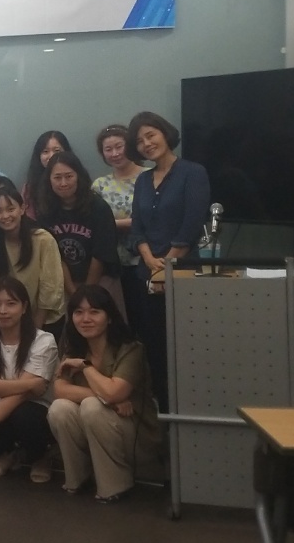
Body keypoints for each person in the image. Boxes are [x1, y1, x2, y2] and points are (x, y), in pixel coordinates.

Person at [127, 110, 211, 411]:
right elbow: (137, 229)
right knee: (155, 351)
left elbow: (191, 225)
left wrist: (166, 266)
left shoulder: (193, 172)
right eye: (140, 141)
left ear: (165, 133)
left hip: (183, 276)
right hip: (146, 276)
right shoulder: (143, 179)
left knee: (186, 350)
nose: (146, 144)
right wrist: (149, 259)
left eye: (151, 135)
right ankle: (162, 418)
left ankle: (188, 415)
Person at [49, 284, 162, 502]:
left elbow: (114, 392)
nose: (86, 319)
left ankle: (115, 485)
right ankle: (78, 478)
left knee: (92, 407)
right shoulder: (74, 347)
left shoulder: (131, 349)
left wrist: (85, 367)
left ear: (109, 317)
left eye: (94, 312)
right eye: (79, 312)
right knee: (59, 409)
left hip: (137, 434)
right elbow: (59, 390)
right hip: (100, 426)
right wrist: (107, 399)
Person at [0, 276, 59, 480]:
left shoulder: (43, 341)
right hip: (7, 400)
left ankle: (41, 456)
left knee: (25, 413)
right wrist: (30, 383)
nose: (3, 311)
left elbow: (24, 395)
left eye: (11, 304)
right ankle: (9, 454)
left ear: (24, 307)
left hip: (37, 406)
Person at [35, 151, 122, 311]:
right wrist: (73, 293)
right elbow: (55, 256)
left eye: (69, 176)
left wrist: (86, 292)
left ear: (79, 176)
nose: (63, 183)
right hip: (65, 282)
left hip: (101, 279)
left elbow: (101, 255)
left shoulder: (99, 208)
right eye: (57, 177)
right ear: (49, 180)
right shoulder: (45, 211)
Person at [0, 183, 64, 330]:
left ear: (22, 209)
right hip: (4, 317)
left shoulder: (43, 239)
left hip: (43, 319)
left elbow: (51, 286)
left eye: (11, 209)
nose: (5, 216)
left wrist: (36, 328)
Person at [91, 124, 145, 326]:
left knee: (145, 320)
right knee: (116, 321)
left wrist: (111, 225)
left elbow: (153, 220)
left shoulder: (150, 177)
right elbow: (92, 225)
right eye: (108, 149)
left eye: (119, 146)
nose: (114, 153)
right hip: (111, 266)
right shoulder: (99, 185)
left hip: (145, 261)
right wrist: (127, 223)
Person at [21, 130, 73, 220]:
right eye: (45, 151)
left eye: (57, 151)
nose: (51, 156)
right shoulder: (30, 188)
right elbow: (29, 221)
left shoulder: (74, 183)